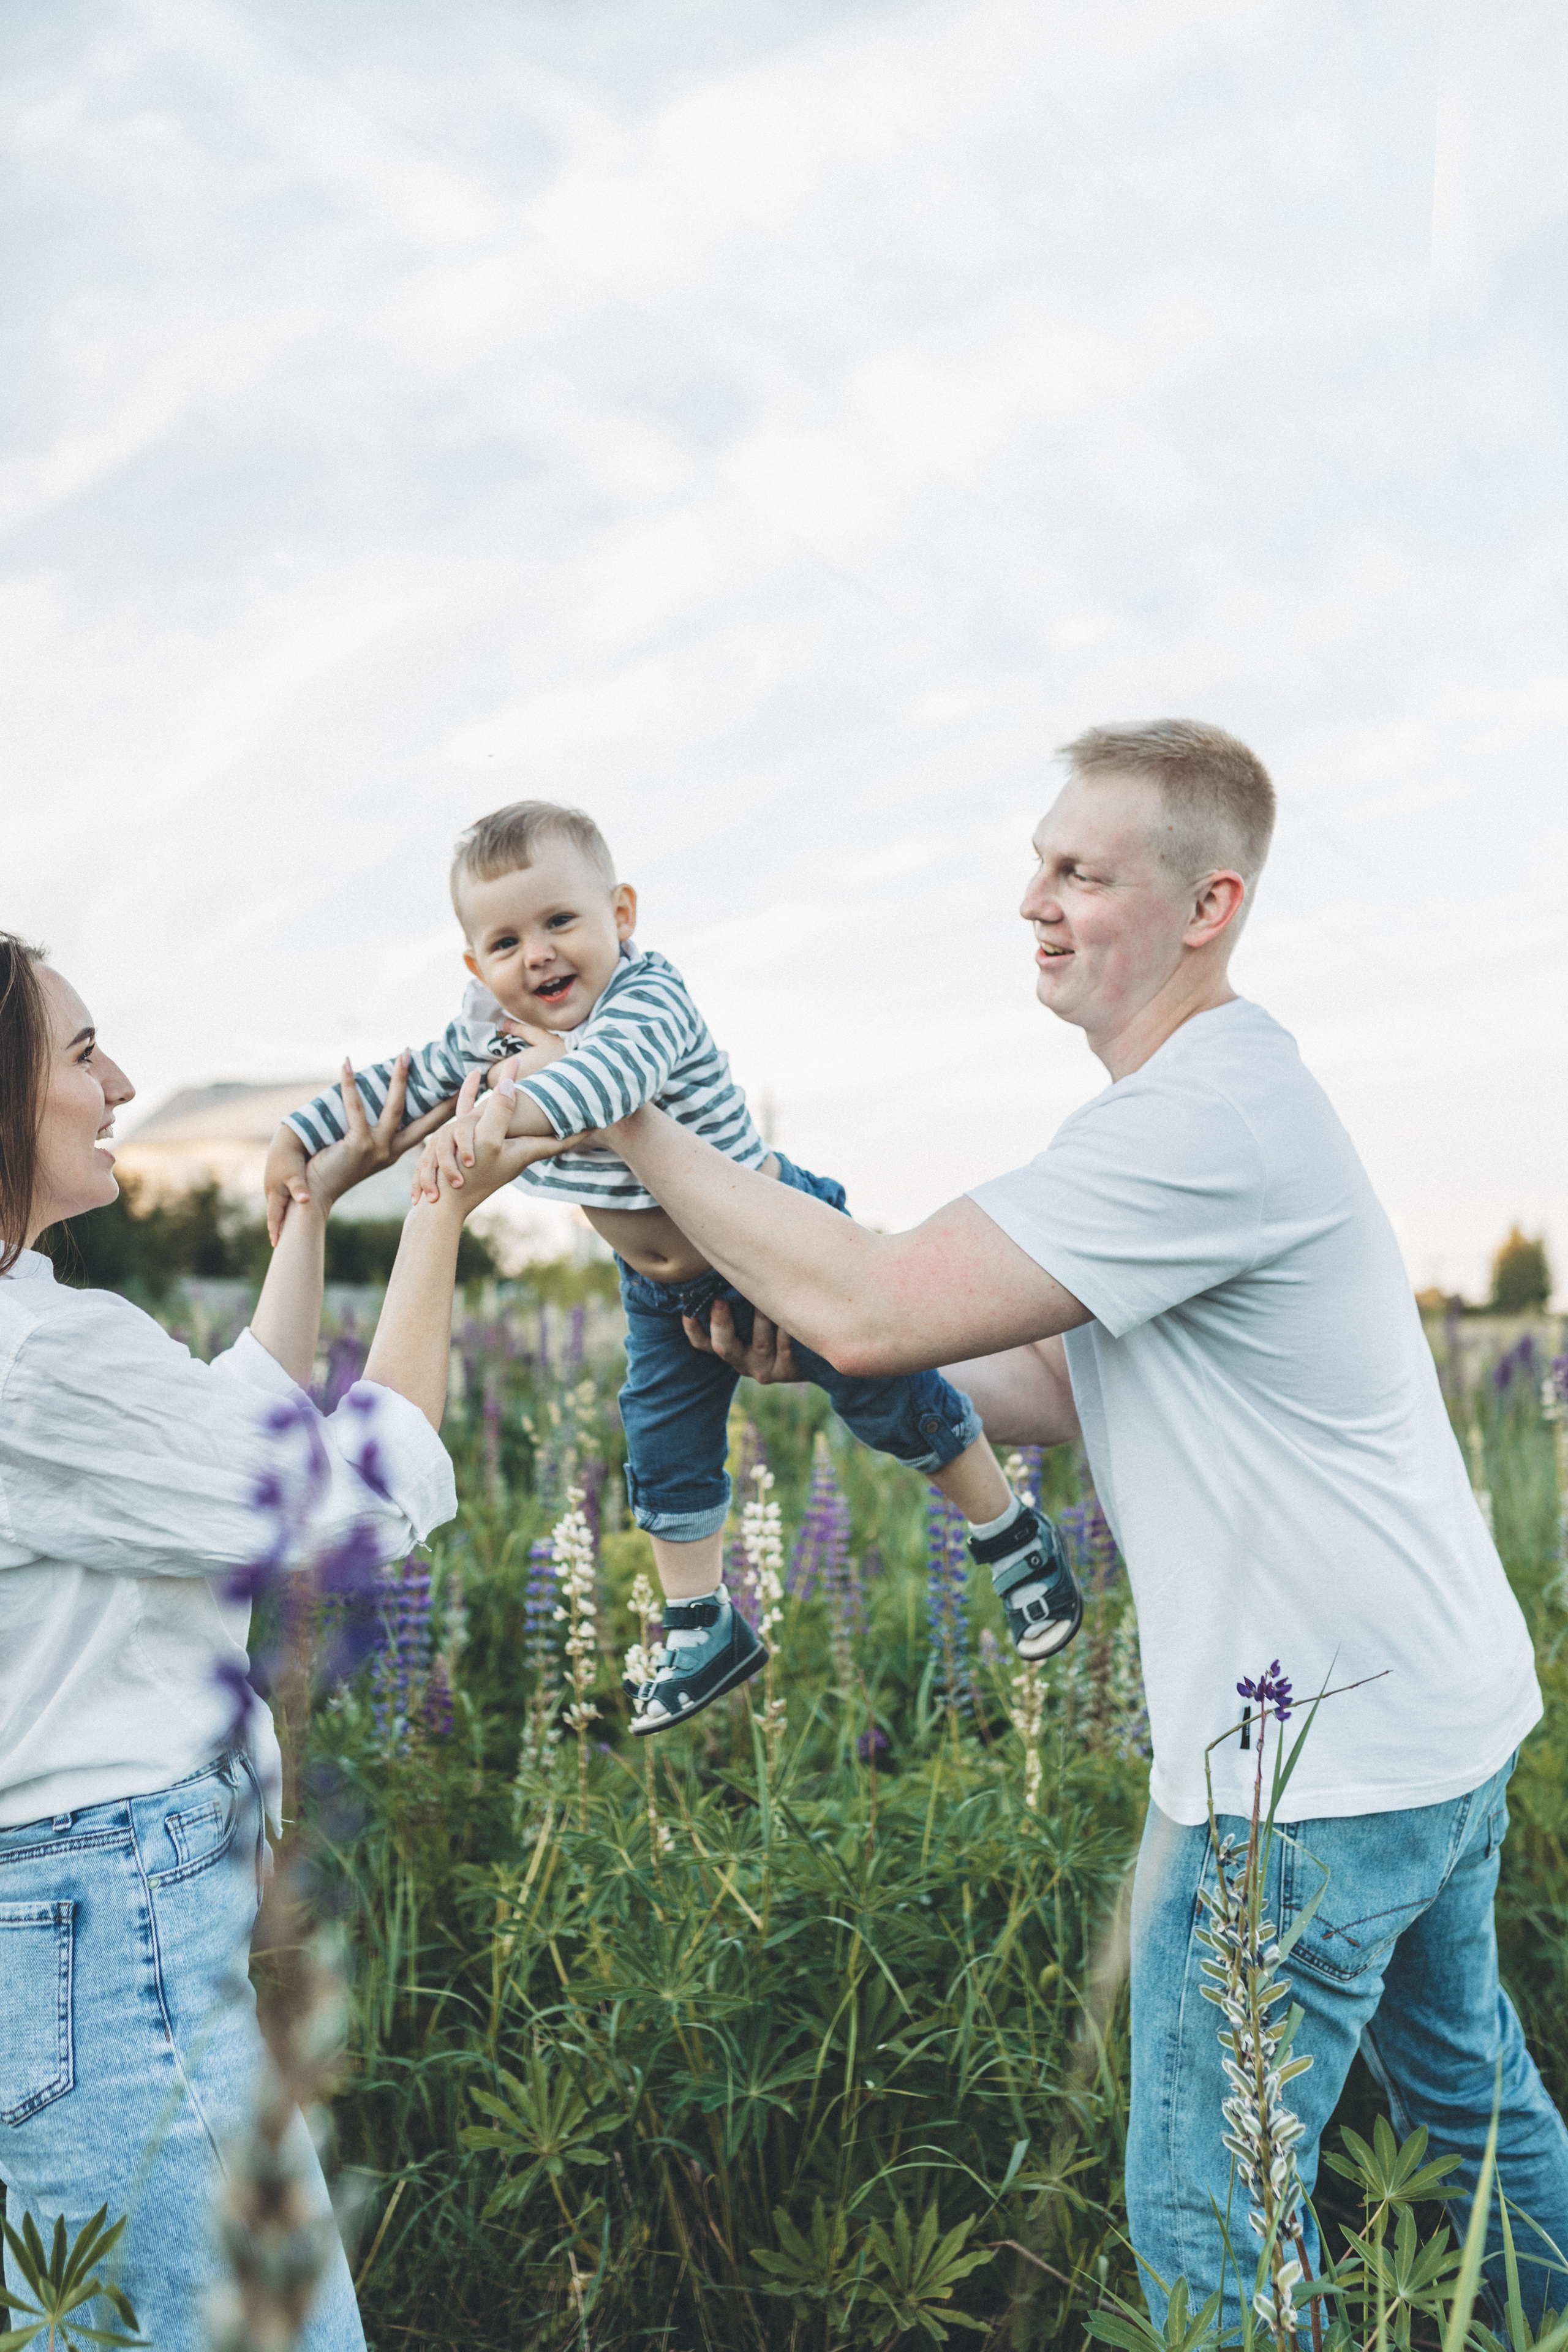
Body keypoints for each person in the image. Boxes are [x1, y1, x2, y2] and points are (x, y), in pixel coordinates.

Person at [449, 721, 1566, 2328]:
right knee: (1467, 2109)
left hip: (1303, 1775)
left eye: (1082, 873)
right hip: (1432, 1723)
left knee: (1216, 2218)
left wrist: (617, 1107)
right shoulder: (1195, 1107)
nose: (1032, 899)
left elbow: (883, 1296)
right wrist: (819, 1342)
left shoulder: (1198, 1122)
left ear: (1208, 905)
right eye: (1037, 861)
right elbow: (1042, 1377)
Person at [0, 935, 551, 2352]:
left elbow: (226, 1435)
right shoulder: (30, 1358)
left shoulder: (41, 1344)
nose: (116, 1084)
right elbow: (337, 1512)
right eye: (80, 1054)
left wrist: (309, 1213)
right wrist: (442, 1212)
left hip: (74, 1932)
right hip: (105, 1932)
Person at [266, 801, 1081, 1736]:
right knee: (659, 1444)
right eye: (504, 941)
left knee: (887, 1393)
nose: (536, 955)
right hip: (661, 1290)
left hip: (777, 1239)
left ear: (622, 913)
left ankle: (1008, 1532)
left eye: (560, 922)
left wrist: (499, 1116)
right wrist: (301, 1134)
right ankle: (702, 1621)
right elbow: (394, 1085)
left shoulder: (647, 1002)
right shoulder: (489, 1034)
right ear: (474, 967)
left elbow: (601, 1085)